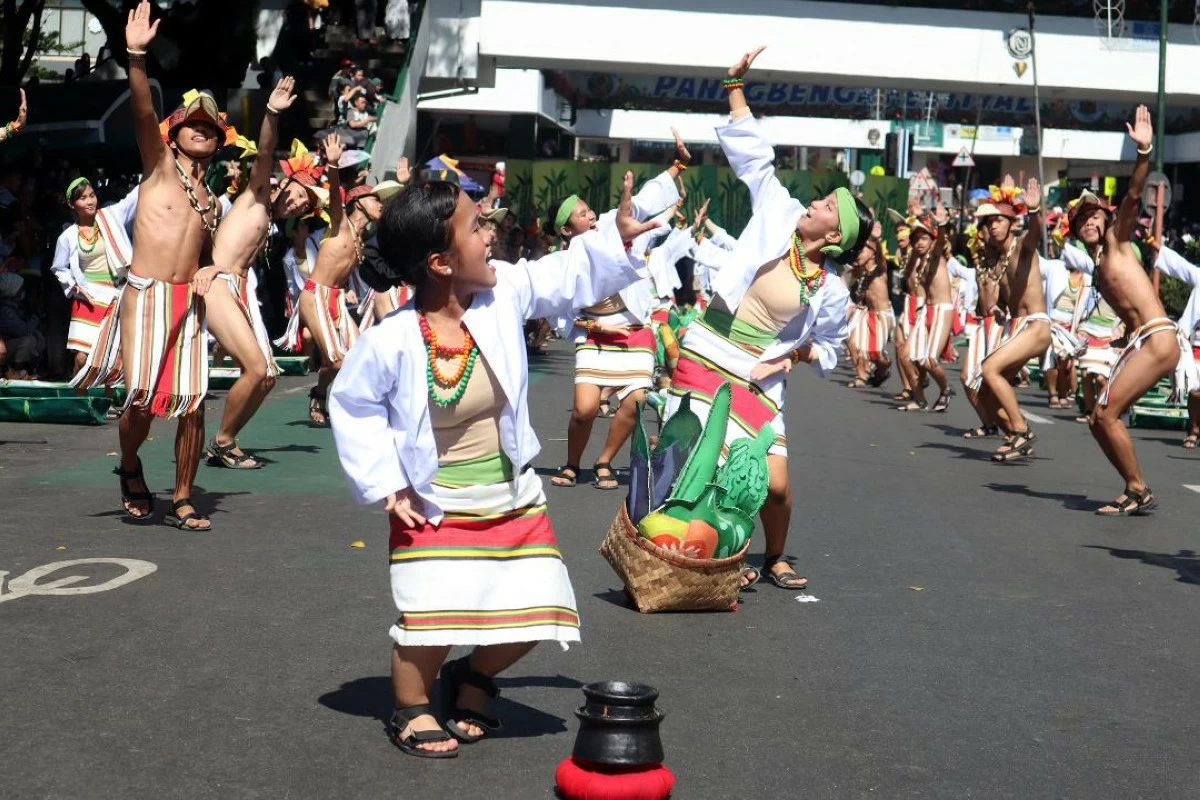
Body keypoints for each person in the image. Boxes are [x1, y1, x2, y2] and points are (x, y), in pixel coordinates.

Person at [327, 171, 658, 759]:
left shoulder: (504, 290)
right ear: (440, 261)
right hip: (432, 499)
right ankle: (412, 706)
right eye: (476, 226)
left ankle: (475, 678)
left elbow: (567, 273)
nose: (490, 234)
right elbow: (351, 405)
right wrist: (387, 481)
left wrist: (618, 239)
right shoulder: (392, 338)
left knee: (539, 613)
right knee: (430, 617)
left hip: (509, 492)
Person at [665, 47, 865, 591]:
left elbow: (827, 350)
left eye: (825, 206)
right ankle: (711, 555)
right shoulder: (778, 208)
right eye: (821, 199)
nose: (814, 203)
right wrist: (734, 84)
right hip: (710, 345)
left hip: (761, 371)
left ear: (833, 236)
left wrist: (790, 356)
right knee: (706, 463)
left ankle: (775, 554)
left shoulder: (829, 289)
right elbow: (754, 156)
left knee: (774, 483)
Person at [72, 1, 223, 530]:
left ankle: (183, 497)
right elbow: (140, 111)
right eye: (194, 124)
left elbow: (214, 256)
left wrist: (211, 269)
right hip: (145, 294)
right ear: (175, 132)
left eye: (210, 127)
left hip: (189, 302)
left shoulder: (212, 201)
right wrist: (136, 56)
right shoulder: (158, 167)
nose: (202, 129)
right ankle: (131, 464)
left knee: (195, 401)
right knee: (140, 399)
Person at [545, 131, 689, 490]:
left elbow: (642, 201)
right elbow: (557, 315)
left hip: (633, 332)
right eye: (582, 214)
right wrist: (591, 329)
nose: (591, 215)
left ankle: (605, 461)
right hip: (596, 337)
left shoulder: (611, 224)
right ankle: (572, 463)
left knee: (637, 401)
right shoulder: (557, 262)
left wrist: (677, 166)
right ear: (566, 229)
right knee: (584, 409)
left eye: (588, 209)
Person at [194, 77, 322, 470]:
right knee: (255, 368)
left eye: (305, 206)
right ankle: (221, 440)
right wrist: (272, 112)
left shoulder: (270, 219)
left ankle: (226, 440)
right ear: (284, 185)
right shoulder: (258, 194)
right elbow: (265, 150)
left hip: (238, 288)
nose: (298, 206)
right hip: (216, 283)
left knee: (266, 374)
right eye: (299, 196)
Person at [1079, 108, 1198, 514]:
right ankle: (1133, 486)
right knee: (1097, 418)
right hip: (1144, 339)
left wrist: (1144, 151)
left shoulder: (1116, 240)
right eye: (1080, 220)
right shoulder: (1098, 267)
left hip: (1159, 338)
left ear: (1105, 219)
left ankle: (1137, 487)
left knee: (1107, 413)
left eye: (1093, 214)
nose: (1088, 222)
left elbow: (1132, 193)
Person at [298, 132, 402, 426]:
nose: (381, 203)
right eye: (375, 199)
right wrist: (332, 165)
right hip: (315, 294)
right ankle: (348, 409)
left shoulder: (362, 238)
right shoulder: (341, 224)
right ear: (358, 202)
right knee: (337, 360)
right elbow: (333, 194)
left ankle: (319, 393)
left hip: (335, 300)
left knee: (357, 356)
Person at [965, 176, 1046, 462]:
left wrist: (1035, 210)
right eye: (989, 223)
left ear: (1011, 222)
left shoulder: (1022, 248)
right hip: (1016, 326)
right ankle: (1014, 436)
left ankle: (1021, 430)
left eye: (998, 220)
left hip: (1035, 326)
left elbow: (1036, 233)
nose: (993, 226)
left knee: (989, 369)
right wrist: (1000, 309)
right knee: (985, 393)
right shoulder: (999, 258)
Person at [51, 177, 139, 372]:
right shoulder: (68, 235)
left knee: (112, 359)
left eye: (92, 195)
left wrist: (154, 171)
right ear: (72, 204)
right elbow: (58, 267)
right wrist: (75, 287)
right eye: (83, 198)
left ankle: (107, 402)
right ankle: (79, 400)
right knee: (82, 358)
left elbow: (133, 199)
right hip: (88, 298)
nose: (90, 201)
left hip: (115, 295)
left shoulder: (110, 217)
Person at [897, 206, 954, 412]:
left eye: (923, 239)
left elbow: (941, 241)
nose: (919, 243)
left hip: (942, 310)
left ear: (931, 239)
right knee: (905, 355)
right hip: (926, 311)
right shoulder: (918, 262)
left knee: (930, 360)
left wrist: (941, 224)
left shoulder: (937, 255)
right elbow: (907, 275)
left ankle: (946, 389)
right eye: (916, 239)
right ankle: (920, 399)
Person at [1150, 245, 1200, 447]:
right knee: (1195, 390)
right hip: (1197, 345)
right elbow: (1181, 266)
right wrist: (1154, 244)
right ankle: (1194, 429)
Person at [845, 225, 892, 388]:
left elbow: (880, 255)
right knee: (851, 341)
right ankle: (861, 375)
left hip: (882, 316)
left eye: (862, 251)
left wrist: (876, 239)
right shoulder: (859, 271)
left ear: (872, 252)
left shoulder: (880, 269)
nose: (858, 254)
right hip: (866, 312)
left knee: (876, 353)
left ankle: (884, 366)